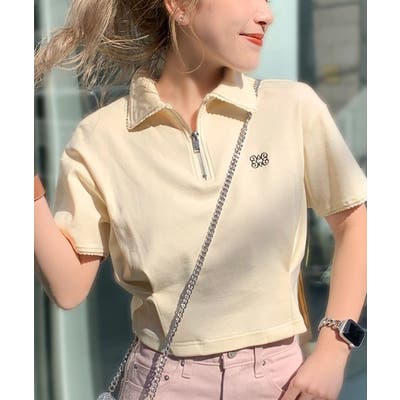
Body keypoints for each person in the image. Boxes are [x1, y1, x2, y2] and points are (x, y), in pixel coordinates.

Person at [34, 0, 367, 399]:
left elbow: (354, 224)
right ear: (179, 7)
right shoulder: (101, 137)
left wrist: (333, 351)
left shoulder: (292, 108)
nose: (266, 15)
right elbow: (69, 287)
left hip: (278, 381)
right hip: (161, 382)